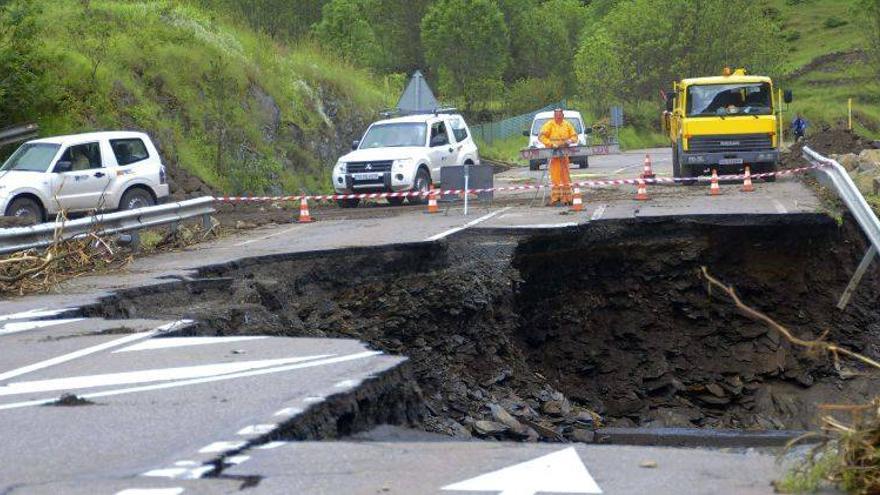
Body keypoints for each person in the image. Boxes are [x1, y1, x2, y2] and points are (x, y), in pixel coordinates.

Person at [539, 108, 578, 206]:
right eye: (556, 116)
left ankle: (567, 199)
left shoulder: (567, 124)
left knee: (566, 178)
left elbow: (574, 137)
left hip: (564, 155)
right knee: (555, 178)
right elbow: (541, 137)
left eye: (560, 116)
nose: (558, 118)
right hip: (554, 155)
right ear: (554, 116)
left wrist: (570, 141)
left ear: (563, 116)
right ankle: (556, 199)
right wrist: (551, 144)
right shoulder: (549, 125)